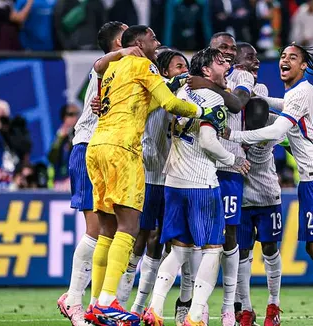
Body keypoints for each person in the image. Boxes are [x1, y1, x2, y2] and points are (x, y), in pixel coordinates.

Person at [84, 25, 227, 326]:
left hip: (97, 146)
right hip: (123, 148)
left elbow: (140, 97)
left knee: (107, 229)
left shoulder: (113, 68)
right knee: (130, 225)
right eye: (153, 39)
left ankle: (96, 302)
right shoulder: (142, 64)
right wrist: (204, 114)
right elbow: (170, 104)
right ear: (139, 43)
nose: (158, 42)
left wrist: (174, 81)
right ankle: (110, 300)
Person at [225, 43, 313, 326]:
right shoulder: (300, 92)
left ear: (304, 65)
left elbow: (276, 130)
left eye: (292, 57)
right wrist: (261, 98)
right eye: (282, 56)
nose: (284, 60)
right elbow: (284, 107)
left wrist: (231, 136)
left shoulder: (302, 91)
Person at [142, 47, 250, 326]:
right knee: (214, 248)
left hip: (173, 180)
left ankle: (154, 309)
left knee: (179, 248)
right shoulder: (214, 98)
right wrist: (233, 159)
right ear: (205, 70)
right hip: (201, 182)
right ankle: (195, 315)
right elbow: (208, 140)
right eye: (220, 62)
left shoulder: (181, 93)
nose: (226, 65)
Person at [56, 21, 145, 326]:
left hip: (108, 154)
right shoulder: (109, 67)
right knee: (97, 231)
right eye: (127, 35)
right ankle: (74, 300)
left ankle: (99, 304)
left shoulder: (125, 68)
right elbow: (98, 67)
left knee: (110, 232)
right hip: (89, 149)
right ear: (118, 43)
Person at [115, 50, 191, 317]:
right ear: (164, 71)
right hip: (147, 176)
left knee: (161, 241)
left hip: (172, 178)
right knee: (140, 237)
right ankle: (120, 303)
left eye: (186, 66)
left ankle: (140, 308)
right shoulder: (154, 92)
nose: (184, 70)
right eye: (178, 66)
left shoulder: (183, 96)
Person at [186, 32, 254, 326]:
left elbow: (237, 104)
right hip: (197, 166)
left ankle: (228, 307)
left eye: (232, 49)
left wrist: (208, 83)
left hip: (228, 168)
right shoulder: (198, 78)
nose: (228, 52)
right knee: (193, 238)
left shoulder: (241, 75)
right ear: (210, 52)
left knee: (228, 237)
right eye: (222, 48)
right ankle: (194, 306)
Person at [228, 42, 282, 326]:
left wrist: (264, 141)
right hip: (241, 189)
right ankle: (246, 309)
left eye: (257, 57)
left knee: (270, 248)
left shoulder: (260, 94)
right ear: (236, 61)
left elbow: (275, 122)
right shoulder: (227, 95)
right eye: (250, 58)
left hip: (266, 187)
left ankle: (274, 305)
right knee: (243, 252)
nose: (257, 61)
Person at [48, 103, 80, 191]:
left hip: (75, 180)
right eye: (70, 114)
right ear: (64, 117)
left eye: (76, 114)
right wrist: (60, 138)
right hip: (59, 181)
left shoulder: (80, 134)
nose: (74, 118)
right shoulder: (59, 135)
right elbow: (51, 158)